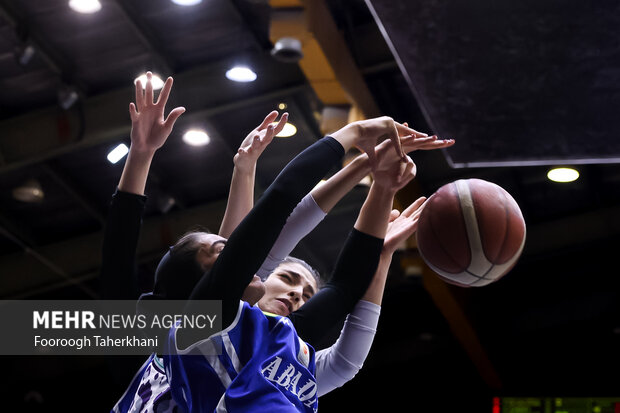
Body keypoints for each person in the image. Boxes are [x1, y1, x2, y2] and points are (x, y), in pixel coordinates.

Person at [107, 73, 452, 412]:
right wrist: (357, 139)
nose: (296, 295)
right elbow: (272, 218)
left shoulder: (276, 337)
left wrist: (381, 184)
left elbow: (343, 284)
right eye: (220, 251)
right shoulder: (196, 326)